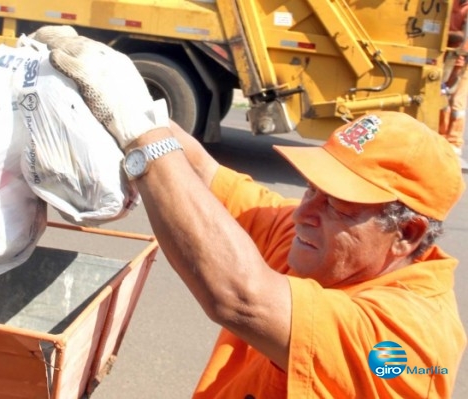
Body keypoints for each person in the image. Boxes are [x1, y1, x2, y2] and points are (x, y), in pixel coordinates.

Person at [32, 26, 466, 398]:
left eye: (336, 203)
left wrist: (142, 145)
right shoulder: (318, 243)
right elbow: (203, 173)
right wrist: (117, 87)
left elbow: (240, 298)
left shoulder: (407, 341)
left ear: (407, 233)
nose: (303, 214)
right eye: (312, 189)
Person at [440, 0, 468, 157]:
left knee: (457, 103)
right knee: (442, 98)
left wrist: (446, 33)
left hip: (463, 62)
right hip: (447, 57)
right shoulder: (451, 3)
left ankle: (454, 142)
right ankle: (442, 137)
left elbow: (463, 36)